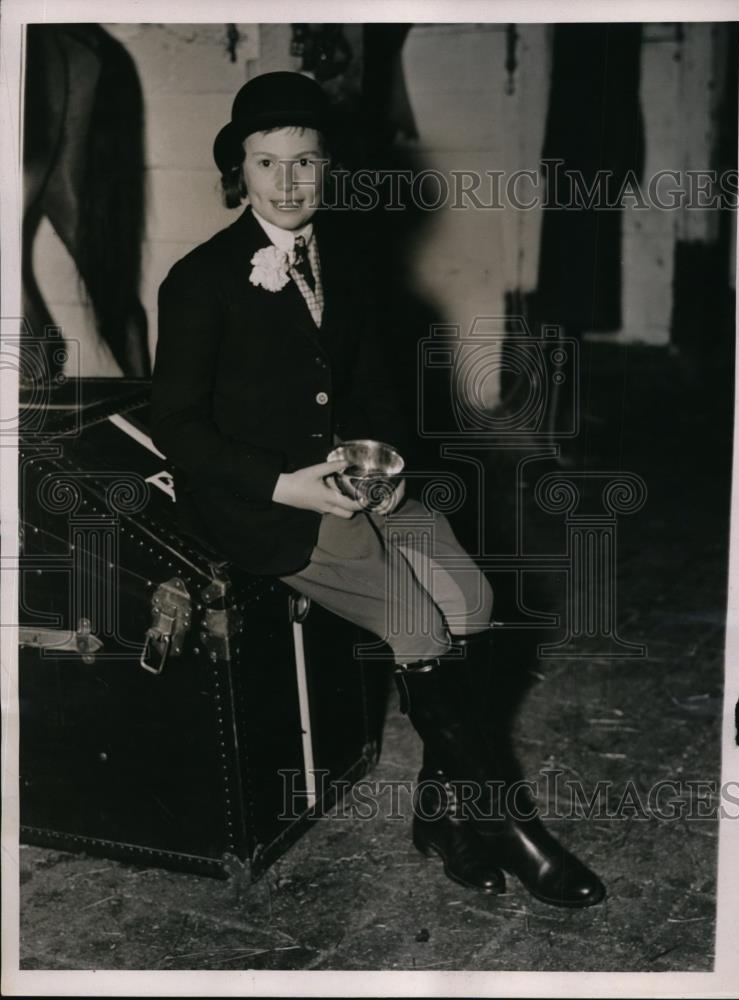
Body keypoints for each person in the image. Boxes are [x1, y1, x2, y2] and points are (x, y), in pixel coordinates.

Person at [151, 71, 605, 908]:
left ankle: (439, 814)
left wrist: (388, 472)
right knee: (418, 625)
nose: (287, 183)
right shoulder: (198, 281)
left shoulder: (346, 262)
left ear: (329, 170)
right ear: (238, 174)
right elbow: (176, 425)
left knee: (470, 600)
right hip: (268, 506)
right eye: (266, 163)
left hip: (362, 487)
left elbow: (373, 392)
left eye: (306, 163)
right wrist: (287, 484)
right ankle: (503, 820)